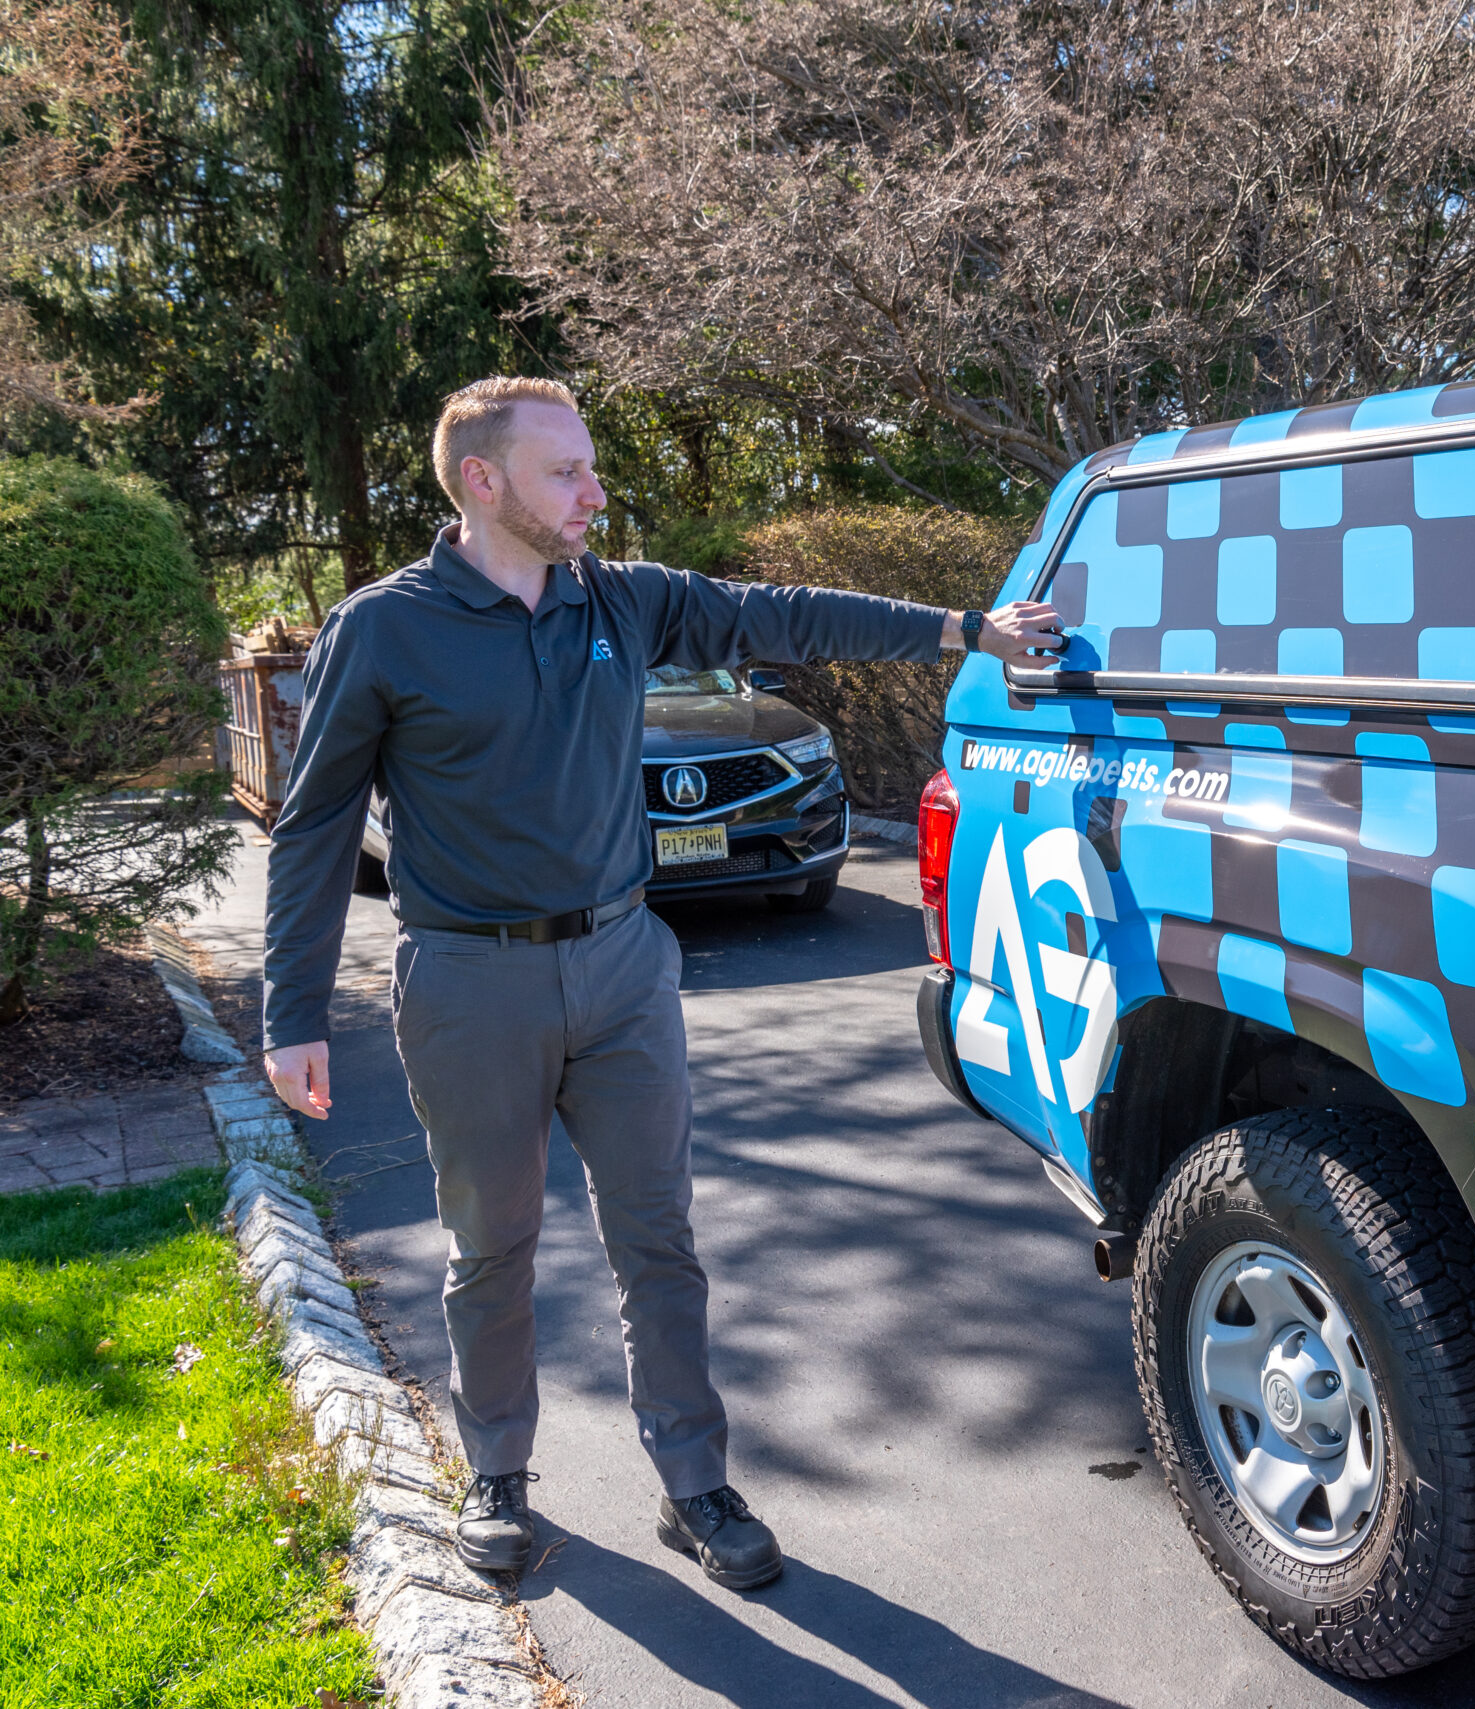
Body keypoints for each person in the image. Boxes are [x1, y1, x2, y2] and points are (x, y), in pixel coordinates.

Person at [260, 376, 1059, 1589]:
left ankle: (694, 1484)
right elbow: (314, 825)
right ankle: (498, 1475)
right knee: (494, 1248)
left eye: (589, 467)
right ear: (482, 481)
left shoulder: (620, 599)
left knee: (660, 1241)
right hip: (469, 981)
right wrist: (292, 1013)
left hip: (626, 964)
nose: (594, 490)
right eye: (565, 471)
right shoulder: (386, 627)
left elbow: (785, 611)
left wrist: (967, 629)